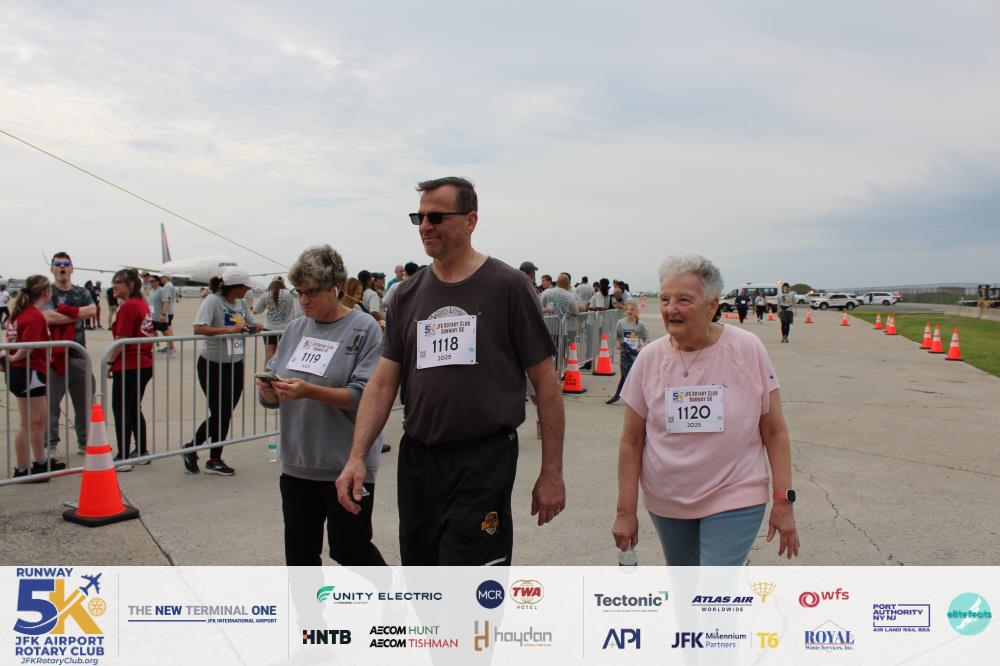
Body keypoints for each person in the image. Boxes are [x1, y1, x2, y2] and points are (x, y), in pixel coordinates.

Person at [336, 176, 566, 566]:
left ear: (470, 221)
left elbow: (545, 383)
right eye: (419, 217)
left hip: (484, 459)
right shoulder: (407, 294)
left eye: (437, 217)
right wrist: (356, 455)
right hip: (419, 460)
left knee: (470, 580)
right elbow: (383, 383)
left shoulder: (508, 286)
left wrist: (552, 472)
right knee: (422, 575)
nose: (425, 226)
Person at [612, 255, 799, 566]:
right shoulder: (649, 358)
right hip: (668, 500)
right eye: (665, 299)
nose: (671, 308)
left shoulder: (747, 349)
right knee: (686, 586)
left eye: (684, 300)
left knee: (714, 589)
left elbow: (774, 431)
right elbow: (631, 441)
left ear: (712, 306)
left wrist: (783, 500)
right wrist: (625, 512)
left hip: (735, 492)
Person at [256, 245, 387, 565]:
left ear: (335, 287)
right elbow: (273, 384)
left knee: (350, 550)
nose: (304, 300)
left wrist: (309, 391)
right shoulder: (295, 328)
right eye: (299, 292)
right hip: (298, 464)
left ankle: (391, 593)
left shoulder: (364, 328)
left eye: (312, 292)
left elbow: (364, 397)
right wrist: (269, 391)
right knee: (300, 557)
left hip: (346, 464)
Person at [181, 267, 257, 476]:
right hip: (212, 365)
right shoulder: (212, 301)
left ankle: (209, 456)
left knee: (225, 413)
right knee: (220, 413)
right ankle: (197, 450)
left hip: (235, 363)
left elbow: (250, 323)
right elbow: (199, 327)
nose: (248, 290)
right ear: (236, 287)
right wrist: (230, 330)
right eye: (246, 287)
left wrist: (258, 328)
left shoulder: (241, 303)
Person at [3, 275, 67, 479]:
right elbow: (27, 347)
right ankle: (22, 468)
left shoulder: (20, 314)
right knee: (29, 422)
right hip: (28, 372)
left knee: (39, 419)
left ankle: (40, 461)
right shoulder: (33, 316)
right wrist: (13, 358)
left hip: (28, 371)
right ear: (46, 293)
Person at [43, 252, 96, 455]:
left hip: (79, 355)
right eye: (58, 264)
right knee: (51, 405)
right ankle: (50, 444)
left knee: (84, 404)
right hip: (54, 358)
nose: (62, 267)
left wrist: (63, 313)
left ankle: (85, 441)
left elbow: (92, 311)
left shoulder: (81, 292)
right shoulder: (47, 293)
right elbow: (48, 317)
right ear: (52, 268)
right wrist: (76, 315)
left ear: (72, 268)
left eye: (66, 264)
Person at [105, 270, 154, 462]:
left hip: (130, 365)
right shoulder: (141, 304)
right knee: (133, 408)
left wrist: (109, 362)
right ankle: (141, 450)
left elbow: (121, 339)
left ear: (131, 285)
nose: (114, 285)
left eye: (118, 282)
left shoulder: (128, 306)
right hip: (143, 364)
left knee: (121, 409)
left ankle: (123, 455)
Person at [606, 299, 650, 405]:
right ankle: (627, 397)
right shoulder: (621, 323)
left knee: (631, 376)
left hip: (635, 355)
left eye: (632, 309)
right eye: (627, 309)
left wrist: (642, 348)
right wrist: (617, 343)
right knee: (626, 375)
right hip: (624, 354)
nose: (629, 312)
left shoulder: (640, 324)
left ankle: (627, 397)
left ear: (636, 311)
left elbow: (647, 338)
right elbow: (616, 336)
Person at [253, 276, 296, 363]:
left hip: (269, 329)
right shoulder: (290, 294)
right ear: (283, 283)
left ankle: (268, 371)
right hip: (285, 329)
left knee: (269, 356)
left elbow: (256, 311)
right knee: (283, 355)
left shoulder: (266, 294)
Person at [157, 274, 177, 354]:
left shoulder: (167, 286)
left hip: (167, 311)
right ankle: (170, 346)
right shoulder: (170, 285)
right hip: (170, 311)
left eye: (162, 277)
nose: (161, 278)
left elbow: (166, 300)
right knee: (168, 328)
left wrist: (163, 312)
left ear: (167, 278)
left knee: (166, 329)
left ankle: (171, 347)